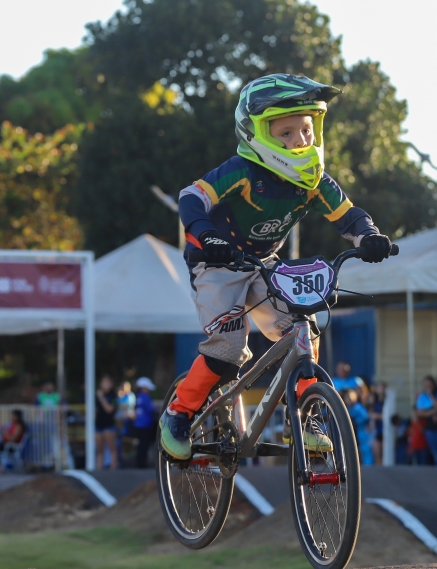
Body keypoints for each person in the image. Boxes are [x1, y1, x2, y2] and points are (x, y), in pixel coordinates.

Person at [158, 73, 393, 460]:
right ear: (256, 134)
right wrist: (207, 236)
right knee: (227, 352)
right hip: (216, 263)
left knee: (303, 329)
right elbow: (192, 198)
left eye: (306, 129)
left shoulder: (312, 180)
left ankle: (303, 417)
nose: (300, 140)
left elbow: (348, 215)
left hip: (264, 262)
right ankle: (178, 413)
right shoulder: (243, 171)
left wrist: (369, 236)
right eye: (286, 132)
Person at [410, 376, 437, 466]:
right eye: (426, 384)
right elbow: (417, 413)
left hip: (436, 427)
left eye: (429, 384)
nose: (427, 386)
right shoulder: (422, 397)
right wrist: (430, 413)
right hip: (425, 428)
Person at [132, 378, 158, 469]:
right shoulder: (145, 397)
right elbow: (151, 409)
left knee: (140, 445)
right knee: (144, 445)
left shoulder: (138, 397)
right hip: (146, 425)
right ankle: (142, 464)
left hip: (138, 424)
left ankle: (139, 463)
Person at [95, 376, 119, 470]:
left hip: (109, 425)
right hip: (99, 424)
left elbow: (109, 409)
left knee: (112, 449)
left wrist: (102, 398)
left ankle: (113, 469)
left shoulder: (113, 396)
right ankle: (99, 470)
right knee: (100, 450)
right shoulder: (97, 396)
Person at [344, 389, 373, 466]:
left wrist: (356, 421)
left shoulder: (358, 407)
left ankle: (368, 466)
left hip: (361, 431)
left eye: (350, 397)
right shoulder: (346, 409)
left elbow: (365, 417)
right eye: (347, 397)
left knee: (364, 449)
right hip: (350, 432)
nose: (349, 399)